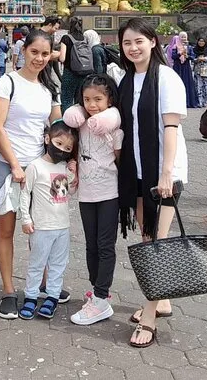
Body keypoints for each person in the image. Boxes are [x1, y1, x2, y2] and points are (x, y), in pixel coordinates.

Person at [117, 18, 188, 348]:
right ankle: (162, 301)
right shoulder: (127, 79)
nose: (133, 48)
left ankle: (148, 318)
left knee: (156, 242)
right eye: (127, 43)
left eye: (139, 41)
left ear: (153, 42)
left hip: (163, 172)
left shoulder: (167, 78)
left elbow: (171, 128)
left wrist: (166, 174)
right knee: (148, 239)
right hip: (137, 170)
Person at [0, 29, 65, 320]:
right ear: (23, 51)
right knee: (7, 230)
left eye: (45, 54)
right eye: (34, 52)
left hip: (39, 169)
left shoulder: (49, 87)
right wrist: (14, 164)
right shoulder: (7, 82)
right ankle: (9, 291)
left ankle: (43, 284)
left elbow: (58, 126)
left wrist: (65, 159)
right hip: (7, 166)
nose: (39, 59)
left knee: (42, 230)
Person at [63, 74, 122, 325]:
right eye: (87, 99)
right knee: (91, 246)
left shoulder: (114, 128)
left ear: (109, 100)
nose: (92, 104)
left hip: (109, 193)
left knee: (105, 245)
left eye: (98, 99)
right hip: (86, 195)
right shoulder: (80, 124)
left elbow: (120, 160)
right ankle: (97, 291)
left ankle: (101, 299)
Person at [18, 121, 78, 320]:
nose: (62, 150)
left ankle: (52, 296)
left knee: (58, 264)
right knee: (37, 263)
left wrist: (72, 172)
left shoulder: (63, 167)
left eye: (67, 148)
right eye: (58, 143)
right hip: (41, 226)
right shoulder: (35, 166)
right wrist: (25, 219)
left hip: (62, 226)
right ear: (47, 139)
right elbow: (25, 193)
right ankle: (31, 296)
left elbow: (70, 191)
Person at [60, 16, 88, 112]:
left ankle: (67, 120)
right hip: (84, 72)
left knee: (66, 99)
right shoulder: (85, 38)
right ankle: (79, 119)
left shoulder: (66, 38)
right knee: (79, 100)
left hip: (70, 73)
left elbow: (62, 58)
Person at [171, 32, 198, 108]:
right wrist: (180, 53)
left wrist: (187, 56)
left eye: (185, 37)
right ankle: (177, 102)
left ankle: (188, 102)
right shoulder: (175, 46)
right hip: (178, 67)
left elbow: (193, 57)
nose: (183, 39)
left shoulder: (189, 47)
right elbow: (173, 56)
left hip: (186, 67)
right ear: (179, 37)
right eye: (182, 37)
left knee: (187, 83)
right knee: (178, 83)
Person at [191, 37, 207, 108]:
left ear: (205, 42)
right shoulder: (194, 49)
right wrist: (197, 59)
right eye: (200, 41)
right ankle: (199, 101)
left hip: (206, 69)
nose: (201, 42)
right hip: (198, 69)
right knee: (198, 84)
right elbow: (192, 58)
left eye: (203, 41)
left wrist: (204, 58)